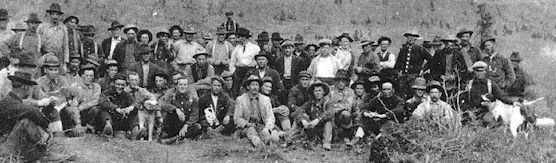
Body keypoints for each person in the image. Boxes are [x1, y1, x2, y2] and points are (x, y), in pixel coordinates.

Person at [0, 71, 68, 162]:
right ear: (25, 86)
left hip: (9, 142)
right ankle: (44, 152)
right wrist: (46, 125)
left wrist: (47, 111)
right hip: (4, 148)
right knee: (26, 122)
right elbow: (32, 111)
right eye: (31, 87)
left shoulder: (10, 100)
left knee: (28, 120)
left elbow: (30, 111)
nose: (31, 89)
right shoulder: (9, 103)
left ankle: (42, 150)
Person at [234, 75, 278, 148]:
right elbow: (237, 118)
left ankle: (270, 141)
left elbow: (270, 116)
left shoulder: (265, 99)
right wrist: (247, 124)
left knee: (265, 133)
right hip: (247, 127)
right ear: (248, 87)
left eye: (257, 85)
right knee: (251, 132)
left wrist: (267, 128)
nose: (255, 87)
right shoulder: (241, 99)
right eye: (252, 85)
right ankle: (259, 145)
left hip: (261, 125)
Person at [293, 81, 334, 150]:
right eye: (316, 91)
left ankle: (326, 144)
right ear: (313, 93)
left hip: (325, 130)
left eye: (320, 91)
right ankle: (291, 140)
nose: (318, 93)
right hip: (313, 128)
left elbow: (331, 113)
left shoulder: (328, 102)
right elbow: (298, 111)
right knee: (299, 118)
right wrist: (303, 120)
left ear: (323, 92)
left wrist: (318, 119)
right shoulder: (310, 103)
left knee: (328, 122)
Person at [63, 63, 101, 136]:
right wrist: (78, 123)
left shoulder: (96, 87)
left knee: (95, 109)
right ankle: (73, 127)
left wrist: (82, 107)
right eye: (86, 75)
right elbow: (74, 105)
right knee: (69, 110)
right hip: (75, 113)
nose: (88, 78)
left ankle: (89, 128)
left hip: (87, 112)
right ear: (82, 75)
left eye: (91, 76)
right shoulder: (74, 86)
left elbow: (94, 101)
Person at [395, 29, 432, 99]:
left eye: (413, 37)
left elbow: (432, 60)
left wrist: (423, 69)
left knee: (413, 94)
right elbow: (398, 64)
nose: (411, 39)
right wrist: (398, 72)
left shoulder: (420, 49)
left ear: (416, 38)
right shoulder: (403, 50)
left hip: (415, 76)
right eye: (409, 37)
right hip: (404, 77)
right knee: (401, 94)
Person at [98, 73, 137, 138]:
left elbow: (135, 103)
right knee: (104, 111)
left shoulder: (127, 95)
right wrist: (116, 108)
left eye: (122, 85)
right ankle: (108, 127)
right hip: (110, 118)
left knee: (134, 111)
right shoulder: (107, 93)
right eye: (118, 84)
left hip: (122, 120)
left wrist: (130, 108)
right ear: (113, 83)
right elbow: (102, 102)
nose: (120, 87)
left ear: (125, 85)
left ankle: (135, 130)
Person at [124, 72, 157, 140]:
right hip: (129, 115)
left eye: (136, 80)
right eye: (132, 80)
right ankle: (135, 132)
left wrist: (149, 100)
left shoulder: (141, 90)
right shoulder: (125, 91)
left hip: (141, 114)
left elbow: (151, 96)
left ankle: (142, 133)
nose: (134, 82)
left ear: (139, 81)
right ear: (128, 81)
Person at [37, 3, 69, 72]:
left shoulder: (63, 28)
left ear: (60, 16)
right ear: (50, 15)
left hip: (59, 57)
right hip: (45, 57)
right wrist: (39, 58)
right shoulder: (42, 27)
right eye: (53, 14)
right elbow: (37, 44)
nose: (55, 17)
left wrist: (65, 63)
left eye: (57, 14)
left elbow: (65, 46)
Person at [328, 72, 356, 147]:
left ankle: (346, 135)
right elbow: (328, 103)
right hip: (331, 112)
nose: (340, 83)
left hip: (342, 113)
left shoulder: (350, 91)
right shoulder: (330, 89)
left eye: (343, 81)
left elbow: (348, 106)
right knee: (330, 114)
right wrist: (336, 107)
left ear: (346, 82)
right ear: (335, 81)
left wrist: (337, 107)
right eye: (338, 81)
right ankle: (333, 136)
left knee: (346, 114)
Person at [229, 27, 260, 94]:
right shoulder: (237, 48)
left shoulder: (255, 48)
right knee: (236, 90)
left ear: (244, 37)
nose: (238, 39)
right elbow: (232, 62)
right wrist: (233, 72)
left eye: (239, 37)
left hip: (250, 71)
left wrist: (254, 71)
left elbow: (258, 61)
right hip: (238, 72)